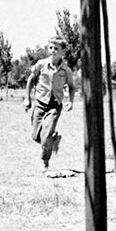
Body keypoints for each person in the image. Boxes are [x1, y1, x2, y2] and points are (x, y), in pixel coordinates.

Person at [24, 36, 75, 169]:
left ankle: (44, 161)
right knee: (35, 136)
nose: (53, 51)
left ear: (63, 51)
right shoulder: (41, 64)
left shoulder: (66, 70)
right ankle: (53, 141)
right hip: (40, 102)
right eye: (51, 48)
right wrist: (27, 98)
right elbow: (31, 79)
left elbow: (71, 86)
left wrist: (70, 101)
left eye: (56, 48)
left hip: (55, 104)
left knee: (46, 133)